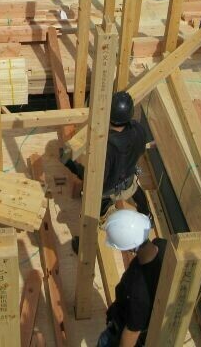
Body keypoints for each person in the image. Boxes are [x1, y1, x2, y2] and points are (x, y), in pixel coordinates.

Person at [61, 92, 151, 253]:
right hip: (129, 181)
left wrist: (69, 163)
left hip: (107, 191)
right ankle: (147, 214)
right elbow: (140, 150)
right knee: (136, 191)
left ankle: (83, 245)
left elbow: (93, 180)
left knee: (91, 216)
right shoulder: (138, 129)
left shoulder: (105, 148)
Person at [97, 210, 167, 347]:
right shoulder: (162, 245)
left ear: (130, 248)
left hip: (120, 330)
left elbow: (131, 333)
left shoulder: (139, 292)